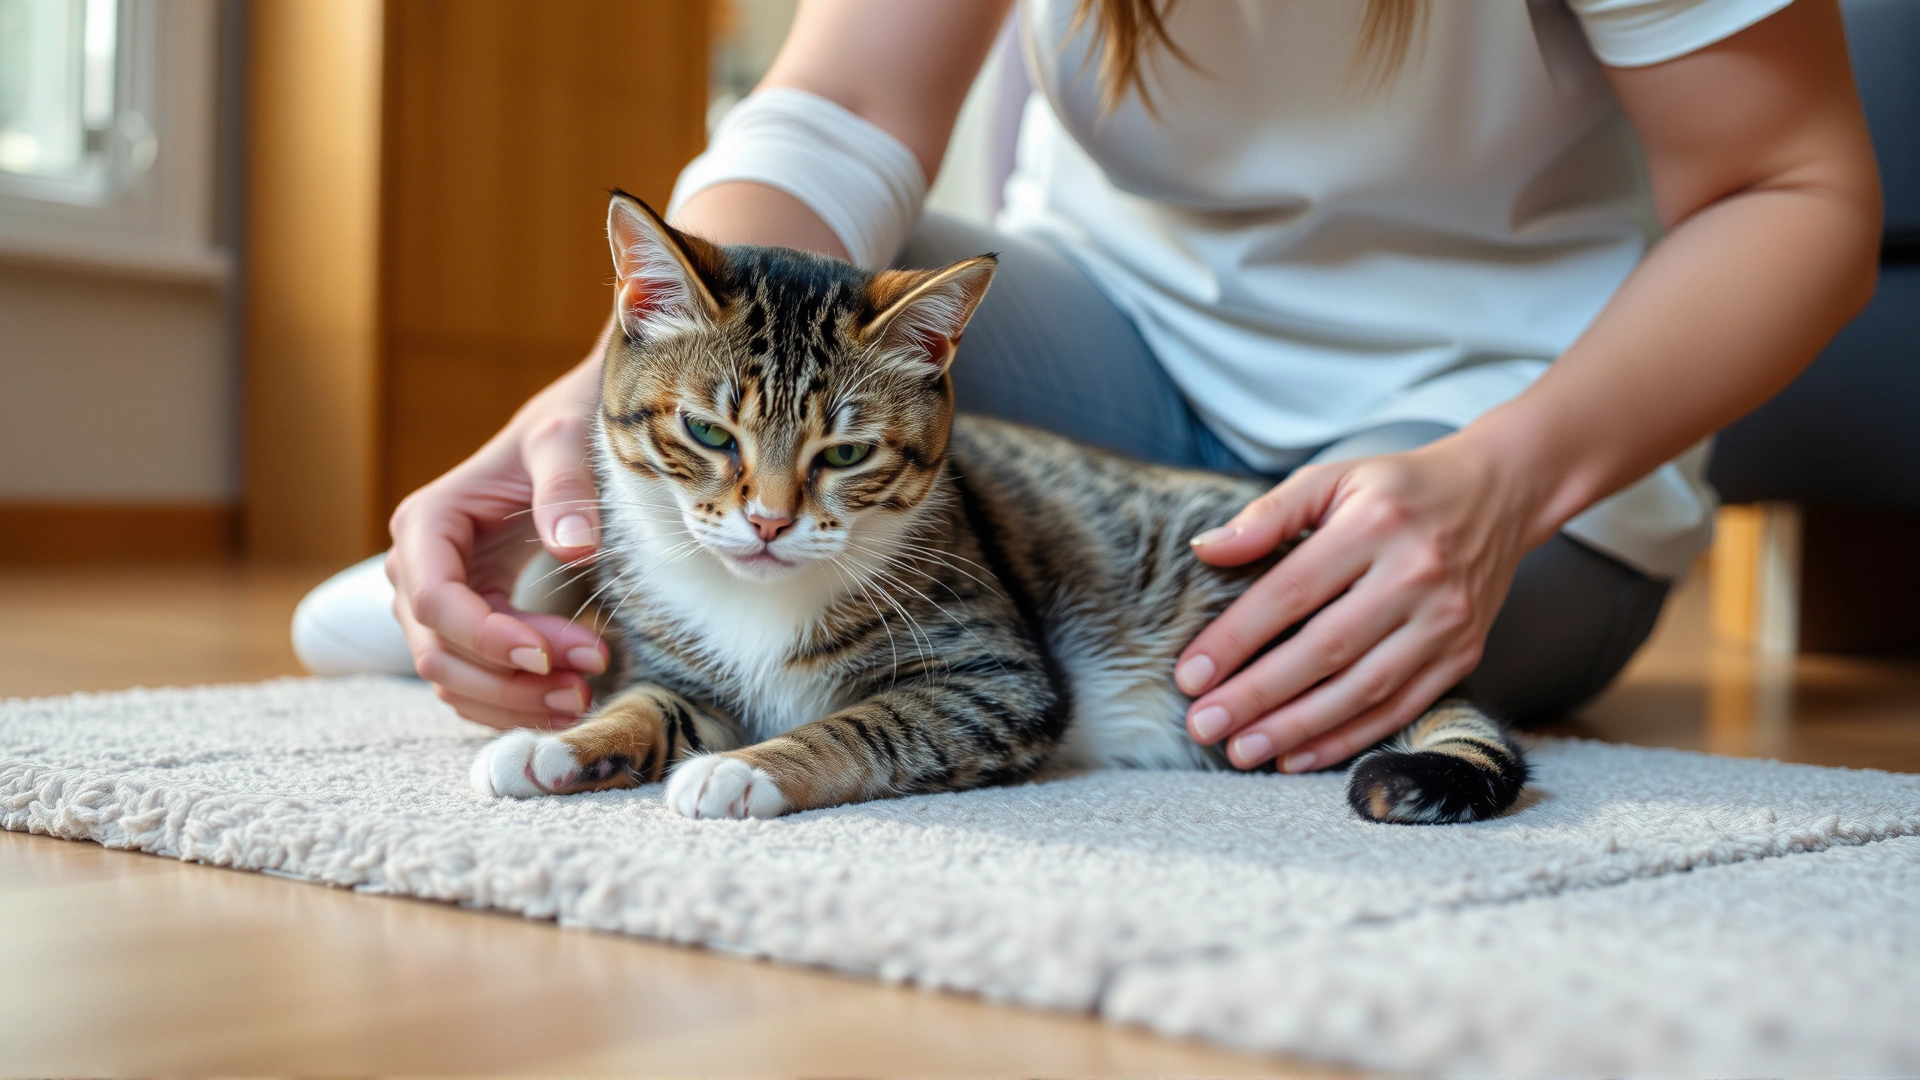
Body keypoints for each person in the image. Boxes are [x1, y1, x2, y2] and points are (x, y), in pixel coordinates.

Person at [296, 0, 1880, 774]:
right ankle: (594, 568)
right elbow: (838, 107)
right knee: (824, 285)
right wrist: (593, 404)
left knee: (1299, 652)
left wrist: (1509, 480)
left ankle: (657, 616)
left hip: (1485, 420)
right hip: (1114, 343)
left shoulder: (1506, 457)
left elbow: (1794, 191)